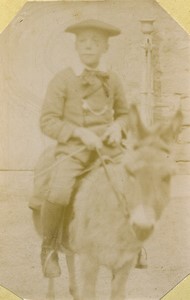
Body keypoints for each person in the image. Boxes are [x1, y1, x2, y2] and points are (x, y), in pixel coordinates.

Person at [37, 19, 145, 278]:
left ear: (105, 47)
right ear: (75, 46)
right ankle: (49, 251)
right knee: (60, 189)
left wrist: (118, 127)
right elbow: (48, 121)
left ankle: (134, 243)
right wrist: (78, 132)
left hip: (108, 147)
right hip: (73, 148)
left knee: (136, 180)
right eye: (83, 41)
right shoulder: (62, 79)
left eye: (95, 42)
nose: (88, 46)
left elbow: (125, 115)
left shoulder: (113, 78)